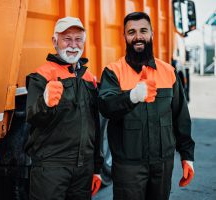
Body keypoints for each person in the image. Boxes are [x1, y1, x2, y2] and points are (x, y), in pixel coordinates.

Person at [98, 12, 195, 200]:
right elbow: (105, 106)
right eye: (131, 32)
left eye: (143, 30)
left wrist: (187, 156)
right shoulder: (113, 72)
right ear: (124, 37)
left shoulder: (168, 72)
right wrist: (132, 96)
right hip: (128, 167)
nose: (138, 37)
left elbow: (181, 117)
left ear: (151, 34)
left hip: (163, 164)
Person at [25, 16, 103, 200]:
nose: (73, 45)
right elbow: (32, 117)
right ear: (55, 41)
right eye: (67, 39)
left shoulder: (89, 78)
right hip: (51, 169)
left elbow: (95, 126)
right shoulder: (42, 76)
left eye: (78, 39)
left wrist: (97, 168)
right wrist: (44, 103)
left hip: (83, 169)